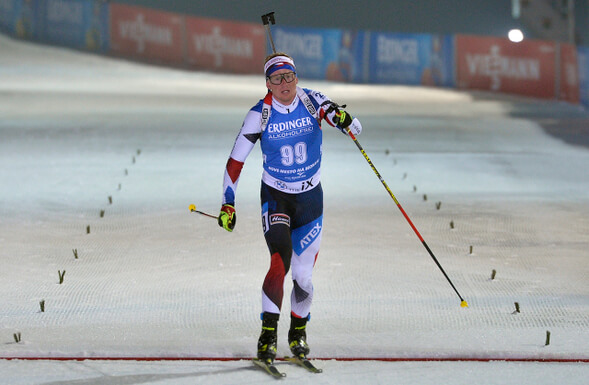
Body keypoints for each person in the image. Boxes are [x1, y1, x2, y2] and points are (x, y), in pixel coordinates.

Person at [217, 52, 362, 364]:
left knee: (303, 276)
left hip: (310, 200)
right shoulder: (260, 114)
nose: (284, 83)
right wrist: (228, 204)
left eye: (289, 76)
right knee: (279, 262)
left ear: (297, 77)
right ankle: (267, 336)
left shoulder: (313, 101)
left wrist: (344, 120)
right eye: (276, 78)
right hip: (276, 196)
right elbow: (234, 163)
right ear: (267, 83)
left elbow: (354, 127)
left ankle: (298, 333)